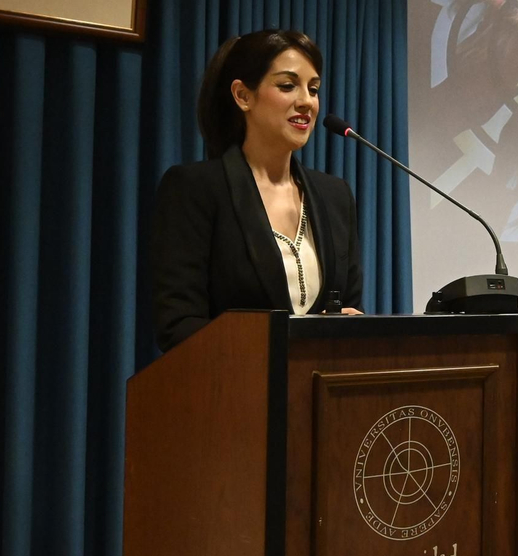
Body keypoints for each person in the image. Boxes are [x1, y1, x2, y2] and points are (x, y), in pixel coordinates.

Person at [150, 29, 363, 351]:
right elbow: (178, 325)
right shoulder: (195, 189)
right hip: (230, 392)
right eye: (288, 85)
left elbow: (348, 305)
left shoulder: (336, 196)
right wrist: (279, 348)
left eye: (314, 89)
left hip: (323, 391)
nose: (306, 101)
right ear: (243, 96)